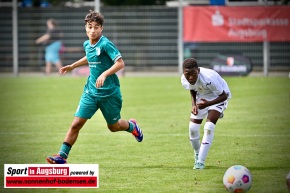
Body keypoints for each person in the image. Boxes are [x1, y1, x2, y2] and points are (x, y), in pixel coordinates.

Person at [46, 10, 143, 164]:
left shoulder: (105, 43)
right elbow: (89, 56)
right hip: (90, 92)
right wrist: (72, 66)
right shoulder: (87, 44)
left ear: (101, 29)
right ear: (85, 28)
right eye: (90, 27)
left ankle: (132, 126)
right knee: (76, 123)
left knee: (114, 127)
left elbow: (120, 63)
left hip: (109, 94)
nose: (92, 30)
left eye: (96, 27)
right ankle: (62, 156)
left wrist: (104, 74)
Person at [181, 58, 231, 169]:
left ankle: (200, 162)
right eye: (187, 74)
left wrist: (208, 103)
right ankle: (198, 153)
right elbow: (192, 88)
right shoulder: (184, 80)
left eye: (193, 74)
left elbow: (224, 96)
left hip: (218, 97)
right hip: (203, 97)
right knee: (193, 129)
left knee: (208, 128)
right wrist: (194, 105)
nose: (190, 77)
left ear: (198, 70)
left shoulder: (209, 78)